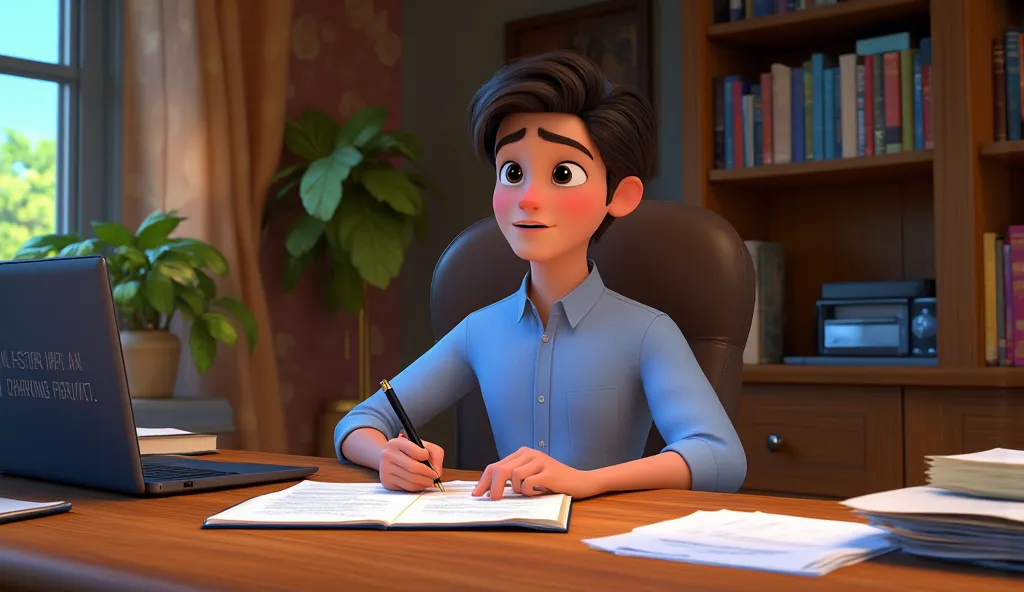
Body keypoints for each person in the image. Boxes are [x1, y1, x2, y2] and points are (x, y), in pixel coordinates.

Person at [335, 50, 746, 500]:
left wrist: (586, 482)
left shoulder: (647, 333)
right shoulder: (480, 331)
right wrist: (388, 458)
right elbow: (358, 422)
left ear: (620, 195)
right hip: (501, 539)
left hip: (606, 544)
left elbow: (720, 456)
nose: (528, 198)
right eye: (512, 172)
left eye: (562, 173)